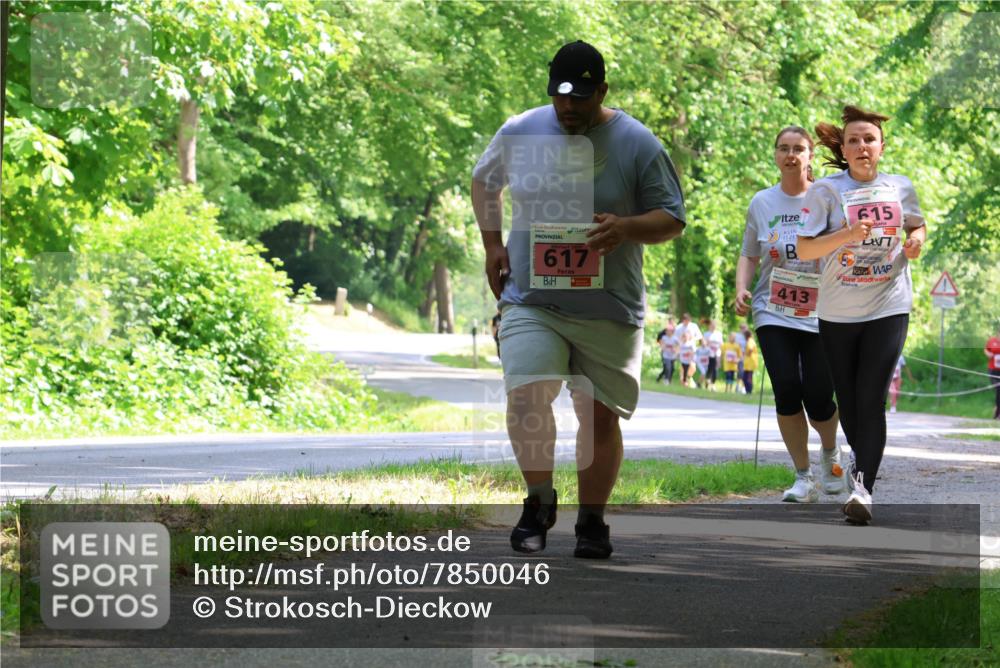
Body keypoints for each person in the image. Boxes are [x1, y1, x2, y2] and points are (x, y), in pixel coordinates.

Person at [471, 40, 686, 558]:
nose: (568, 108)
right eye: (560, 96)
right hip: (531, 299)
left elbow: (672, 217)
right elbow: (484, 181)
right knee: (526, 395)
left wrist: (626, 227)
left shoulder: (636, 142)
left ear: (601, 91)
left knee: (598, 417)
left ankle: (592, 521)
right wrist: (493, 244)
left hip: (608, 305)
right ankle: (539, 502)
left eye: (581, 98)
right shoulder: (521, 130)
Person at [797, 105, 928, 525]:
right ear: (844, 147)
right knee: (849, 402)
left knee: (871, 397)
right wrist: (848, 235)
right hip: (838, 310)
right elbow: (805, 249)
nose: (862, 146)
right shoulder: (826, 192)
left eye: (869, 139)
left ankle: (862, 487)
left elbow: (917, 226)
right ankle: (859, 461)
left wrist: (916, 242)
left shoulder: (900, 186)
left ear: (882, 147)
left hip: (889, 304)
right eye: (853, 140)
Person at [734, 125, 844, 503]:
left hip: (822, 310)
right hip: (773, 308)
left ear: (810, 155)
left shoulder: (828, 197)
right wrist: (742, 288)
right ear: (776, 155)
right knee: (786, 389)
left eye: (798, 148)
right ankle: (803, 476)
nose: (791, 155)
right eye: (784, 148)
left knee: (817, 395)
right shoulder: (762, 202)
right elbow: (749, 253)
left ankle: (830, 454)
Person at [704, 319, 723, 391]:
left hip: (717, 354)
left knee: (715, 369)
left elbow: (721, 345)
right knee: (709, 369)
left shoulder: (719, 334)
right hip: (708, 354)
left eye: (714, 325)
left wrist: (721, 355)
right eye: (712, 325)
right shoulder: (706, 334)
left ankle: (713, 383)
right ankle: (707, 381)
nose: (713, 326)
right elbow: (704, 344)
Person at [986, 326, 1000, 420]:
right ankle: (997, 411)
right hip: (993, 370)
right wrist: (988, 354)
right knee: (998, 388)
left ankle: (997, 412)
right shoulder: (992, 341)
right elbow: (986, 350)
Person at [742, 330, 758, 394]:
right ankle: (747, 390)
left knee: (748, 378)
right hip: (748, 363)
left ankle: (749, 391)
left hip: (750, 363)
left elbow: (750, 349)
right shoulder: (749, 341)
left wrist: (747, 353)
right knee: (745, 377)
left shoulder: (750, 341)